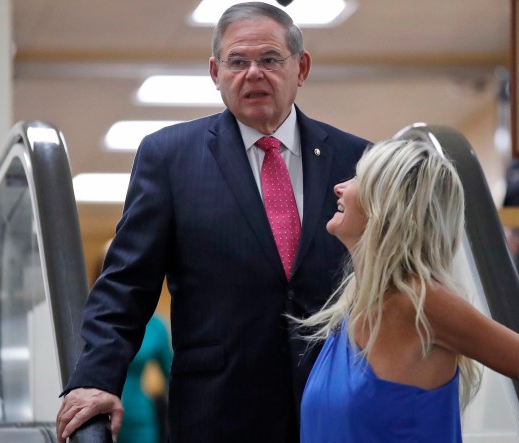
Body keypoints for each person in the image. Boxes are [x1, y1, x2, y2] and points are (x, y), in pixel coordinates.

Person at [55, 3, 369, 442]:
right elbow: (127, 283)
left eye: (269, 59)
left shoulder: (357, 160)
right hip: (218, 412)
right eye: (237, 62)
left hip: (338, 406)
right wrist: (95, 378)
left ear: (301, 68)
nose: (253, 73)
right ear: (214, 72)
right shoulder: (170, 157)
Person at [297, 139, 519, 441]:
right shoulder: (351, 308)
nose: (340, 187)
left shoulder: (418, 302)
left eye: (358, 178)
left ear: (387, 203)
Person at [117, 314, 173, 443]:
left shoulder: (155, 327)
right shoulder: (100, 318)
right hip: (99, 415)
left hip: (139, 420)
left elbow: (171, 376)